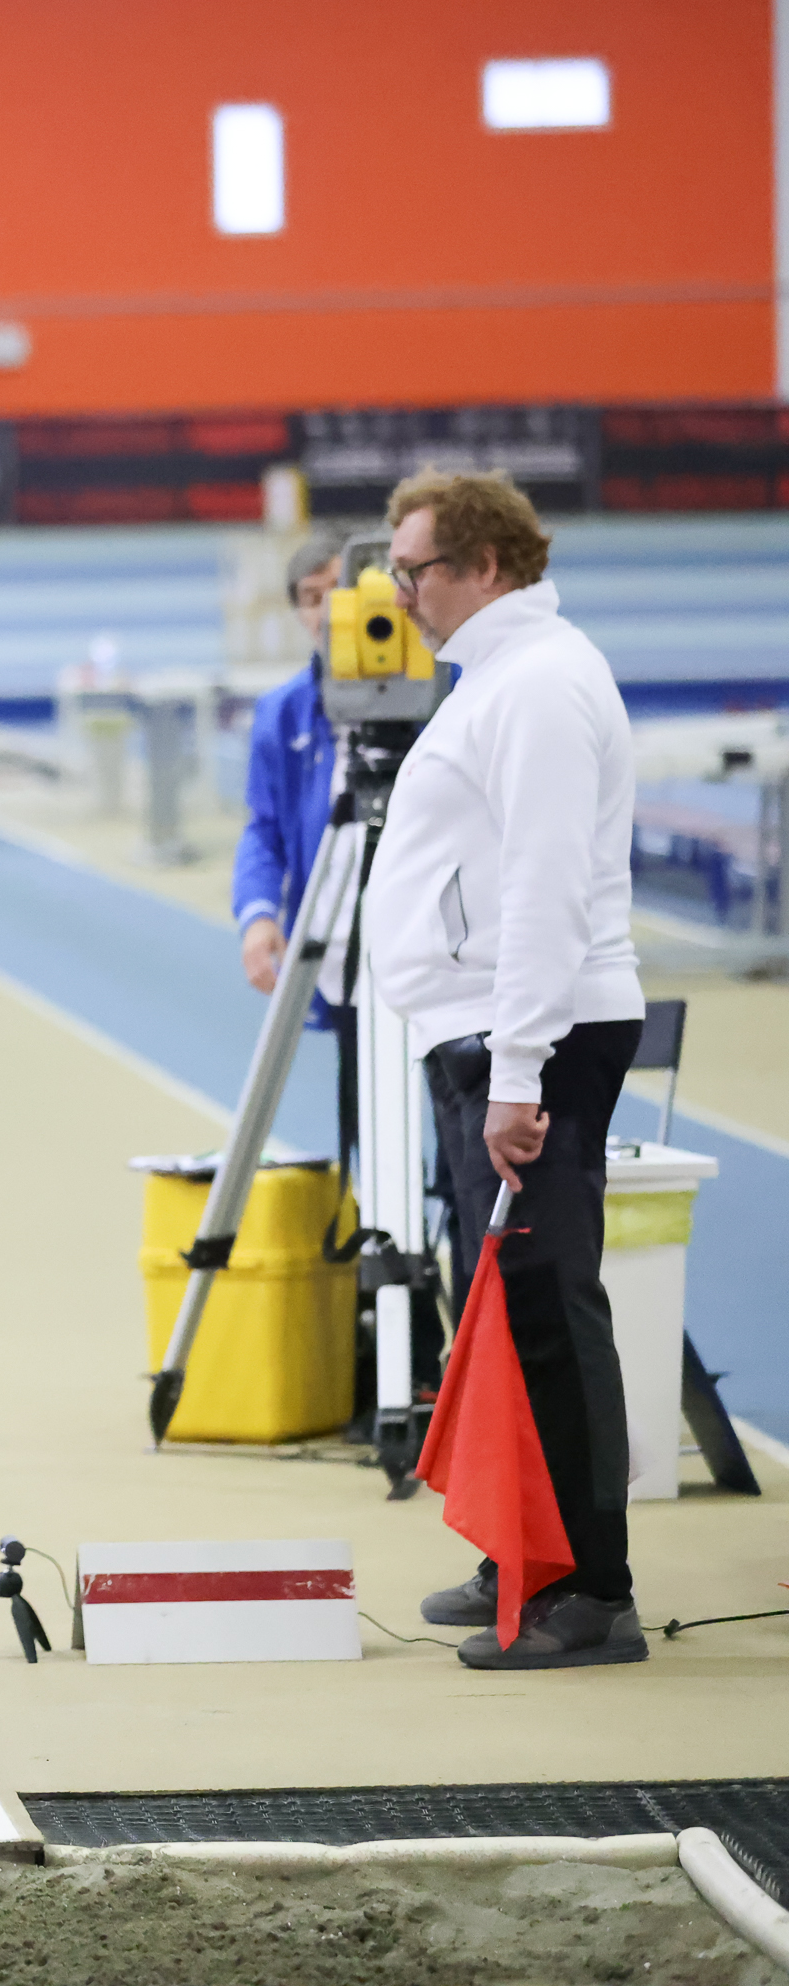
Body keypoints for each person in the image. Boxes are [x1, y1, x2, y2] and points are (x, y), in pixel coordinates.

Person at [363, 468, 646, 1672]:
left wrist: (520, 1071)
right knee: (504, 1307)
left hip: (530, 1037)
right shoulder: (498, 677)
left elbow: (543, 886)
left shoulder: (536, 683)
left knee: (546, 1311)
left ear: (486, 565)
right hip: (489, 1031)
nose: (399, 593)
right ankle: (523, 1555)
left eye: (415, 569)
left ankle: (591, 1590)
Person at [233, 532, 347, 999]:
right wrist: (258, 913)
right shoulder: (281, 712)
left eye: (340, 590)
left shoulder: (442, 688)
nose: (328, 611)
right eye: (312, 598)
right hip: (335, 952)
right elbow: (264, 828)